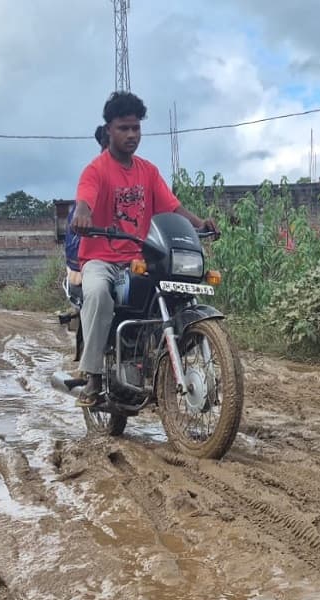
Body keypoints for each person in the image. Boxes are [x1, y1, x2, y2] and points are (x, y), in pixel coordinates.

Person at [70, 91, 216, 406]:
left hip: (139, 258)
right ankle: (92, 375)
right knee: (97, 293)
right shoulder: (96, 170)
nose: (131, 135)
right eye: (123, 128)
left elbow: (172, 207)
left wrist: (199, 223)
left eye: (136, 128)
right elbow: (85, 198)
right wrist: (82, 213)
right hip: (101, 259)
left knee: (174, 291)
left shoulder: (147, 171)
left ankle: (155, 359)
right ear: (109, 129)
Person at [64, 124, 111, 298]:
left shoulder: (140, 175)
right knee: (98, 291)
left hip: (130, 256)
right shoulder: (95, 174)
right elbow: (84, 201)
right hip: (97, 259)